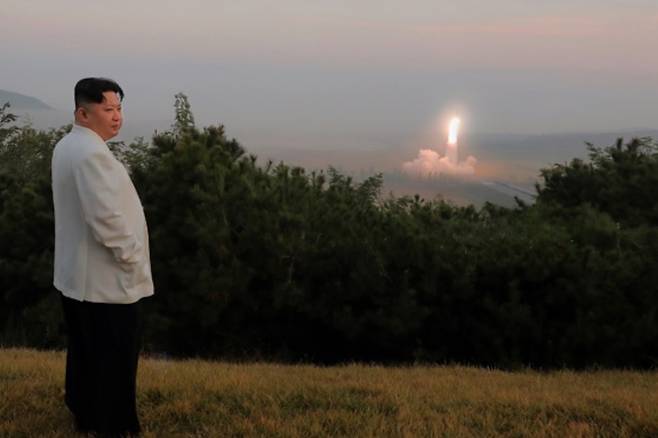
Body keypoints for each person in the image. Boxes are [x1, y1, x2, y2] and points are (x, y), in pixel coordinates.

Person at [51, 77, 154, 436]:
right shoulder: (90, 153)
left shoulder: (68, 146)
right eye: (107, 109)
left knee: (85, 350)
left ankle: (86, 414)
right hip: (103, 279)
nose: (116, 117)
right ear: (83, 112)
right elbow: (105, 218)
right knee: (115, 354)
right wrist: (133, 257)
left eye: (119, 108)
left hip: (78, 278)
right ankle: (112, 424)